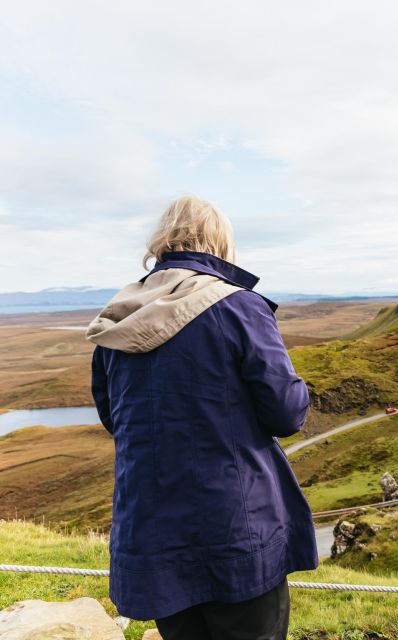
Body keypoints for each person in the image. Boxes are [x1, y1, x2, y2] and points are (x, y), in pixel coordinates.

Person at [87, 196, 318, 640]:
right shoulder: (239, 307)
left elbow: (115, 417)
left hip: (151, 528)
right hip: (235, 525)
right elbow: (287, 413)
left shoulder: (120, 315)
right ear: (220, 245)